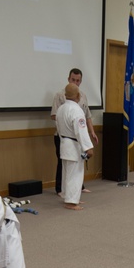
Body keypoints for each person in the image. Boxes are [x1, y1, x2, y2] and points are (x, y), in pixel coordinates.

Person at [51, 68, 98, 197]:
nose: (75, 82)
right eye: (73, 80)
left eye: (78, 80)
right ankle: (61, 189)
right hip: (65, 136)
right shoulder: (61, 96)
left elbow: (87, 116)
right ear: (68, 79)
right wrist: (89, 147)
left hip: (76, 136)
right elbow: (56, 116)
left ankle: (77, 189)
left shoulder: (82, 96)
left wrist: (92, 132)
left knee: (76, 166)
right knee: (66, 165)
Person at [55, 83, 94, 211]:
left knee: (67, 173)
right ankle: (71, 202)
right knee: (75, 175)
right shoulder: (77, 110)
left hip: (64, 143)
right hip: (73, 145)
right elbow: (80, 131)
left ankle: (69, 196)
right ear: (78, 95)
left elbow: (59, 128)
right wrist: (88, 147)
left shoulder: (61, 109)